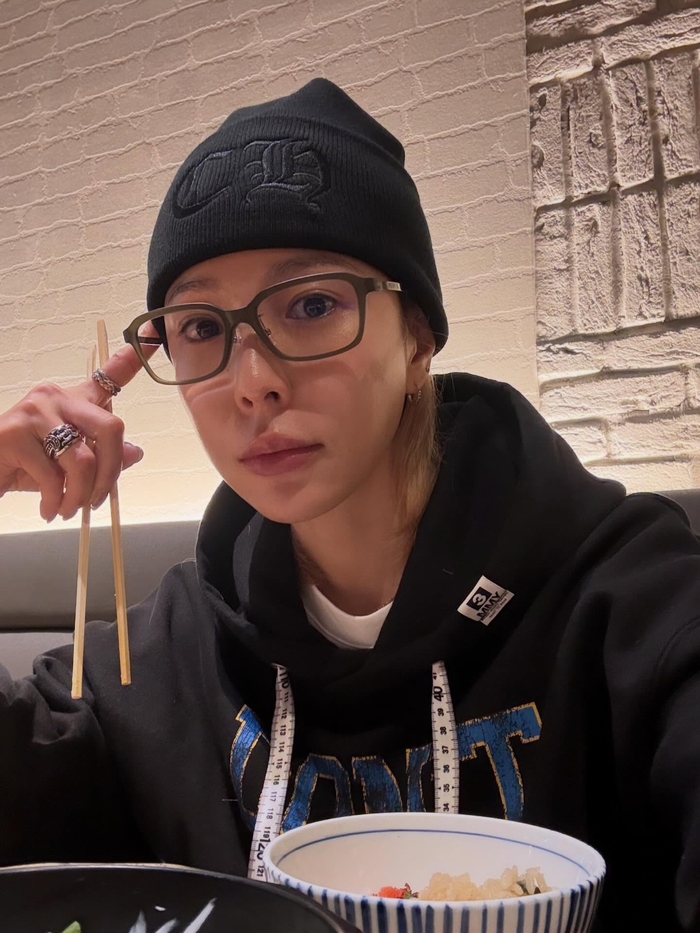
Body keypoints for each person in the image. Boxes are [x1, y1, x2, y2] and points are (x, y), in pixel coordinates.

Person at [0, 78, 698, 931]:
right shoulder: (166, 656)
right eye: (203, 327)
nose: (253, 382)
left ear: (418, 338)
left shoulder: (631, 606)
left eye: (312, 304)